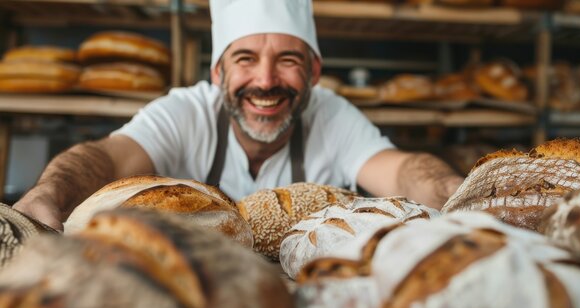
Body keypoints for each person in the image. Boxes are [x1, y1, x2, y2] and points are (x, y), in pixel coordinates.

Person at [13, 0, 463, 232]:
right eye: (245, 59)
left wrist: (453, 192)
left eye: (287, 60)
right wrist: (50, 194)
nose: (265, 81)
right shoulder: (186, 112)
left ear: (315, 71)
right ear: (217, 72)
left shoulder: (331, 115)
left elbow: (402, 172)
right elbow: (106, 159)